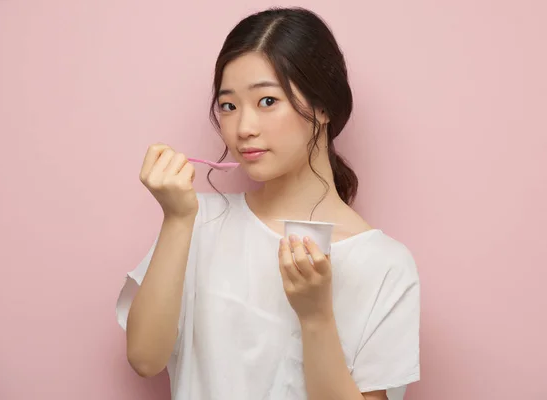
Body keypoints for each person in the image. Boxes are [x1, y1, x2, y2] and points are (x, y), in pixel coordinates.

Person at [115, 7, 420, 400]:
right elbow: (144, 359)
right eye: (229, 106)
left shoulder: (385, 264)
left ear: (323, 107)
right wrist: (176, 219)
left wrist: (315, 317)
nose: (243, 128)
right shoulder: (196, 220)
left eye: (267, 101)